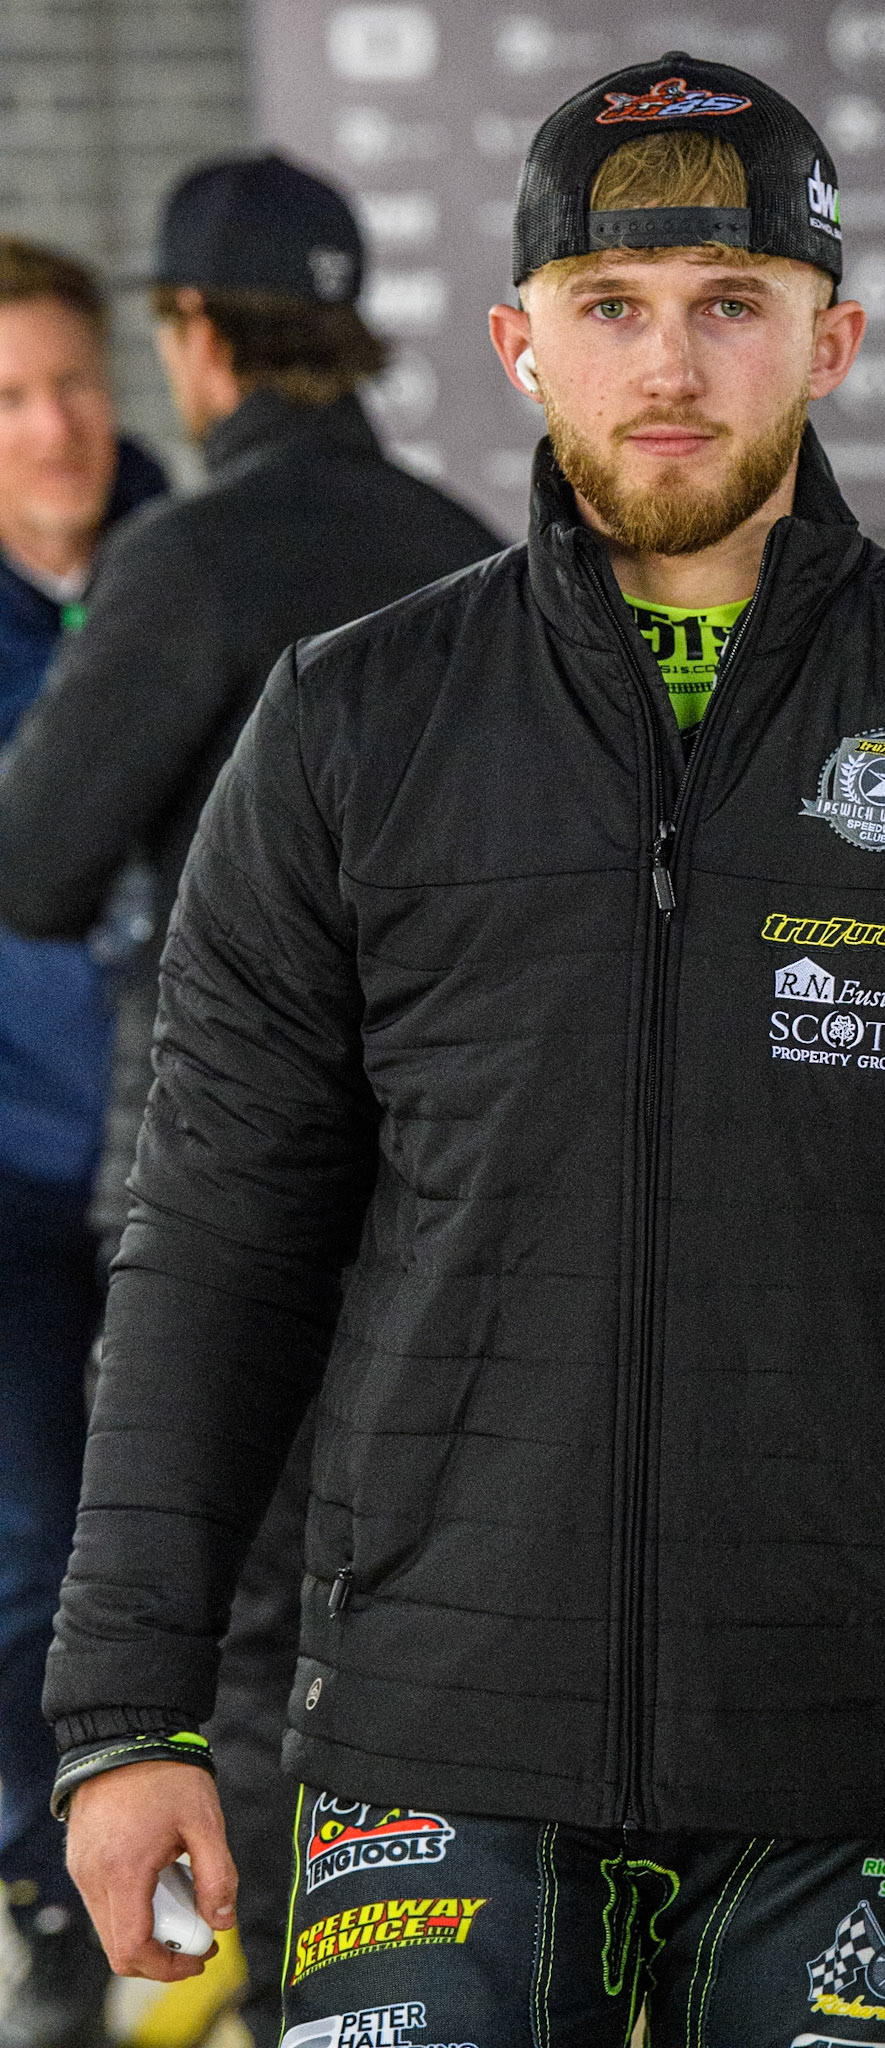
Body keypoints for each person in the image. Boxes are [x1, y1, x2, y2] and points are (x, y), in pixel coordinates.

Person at [44, 58, 885, 2048]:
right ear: (516, 343)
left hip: (872, 1766)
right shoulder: (352, 725)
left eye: (730, 301)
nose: (669, 364)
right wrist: (124, 1711)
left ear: (829, 340)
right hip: (431, 1754)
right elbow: (211, 1241)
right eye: (610, 306)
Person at [0, 156, 500, 2048]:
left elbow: (36, 869)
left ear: (196, 342)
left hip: (228, 1192)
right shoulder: (478, 539)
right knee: (419, 1622)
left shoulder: (192, 563)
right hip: (465, 1192)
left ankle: (299, 1991)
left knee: (237, 1630)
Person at [0, 236, 166, 2048]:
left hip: (193, 1168)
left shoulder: (197, 565)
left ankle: (272, 1909)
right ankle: (51, 1903)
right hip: (6, 1177)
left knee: (228, 1552)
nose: (54, 429)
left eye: (74, 385)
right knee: (27, 1548)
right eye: (10, 399)